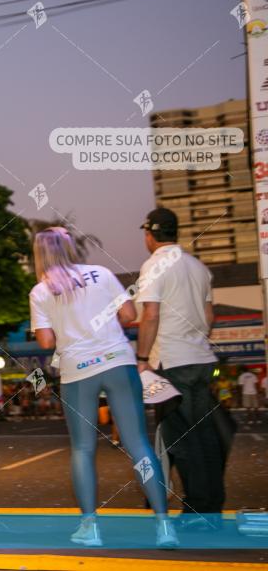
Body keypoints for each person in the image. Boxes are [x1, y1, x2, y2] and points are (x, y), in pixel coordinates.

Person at [29, 227, 177, 548]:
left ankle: (90, 528)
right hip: (118, 361)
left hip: (78, 370)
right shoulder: (101, 273)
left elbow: (46, 341)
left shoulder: (41, 291)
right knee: (139, 444)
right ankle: (165, 526)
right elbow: (128, 314)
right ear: (70, 248)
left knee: (83, 450)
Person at [135, 207, 224, 529]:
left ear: (149, 234)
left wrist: (143, 358)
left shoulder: (154, 265)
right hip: (201, 361)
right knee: (205, 438)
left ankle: (198, 512)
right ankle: (211, 507)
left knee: (180, 440)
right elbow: (209, 316)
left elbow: (151, 315)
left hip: (170, 363)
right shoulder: (198, 267)